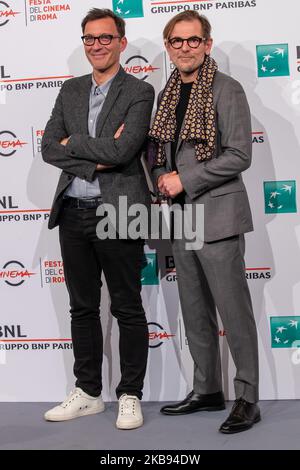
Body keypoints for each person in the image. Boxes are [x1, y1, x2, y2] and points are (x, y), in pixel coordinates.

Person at [41, 8, 154, 430]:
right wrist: (95, 153)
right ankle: (88, 392)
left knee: (127, 306)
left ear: (121, 42)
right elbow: (49, 147)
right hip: (72, 210)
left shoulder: (139, 91)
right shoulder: (70, 90)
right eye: (89, 38)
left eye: (105, 37)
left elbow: (125, 153)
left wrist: (78, 148)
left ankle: (130, 394)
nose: (97, 45)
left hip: (120, 210)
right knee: (82, 308)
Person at [150, 11, 260, 434]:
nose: (185, 48)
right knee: (195, 310)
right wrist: (159, 178)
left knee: (234, 311)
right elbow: (161, 153)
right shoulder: (167, 94)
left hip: (217, 214)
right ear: (168, 47)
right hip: (180, 219)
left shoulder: (226, 90)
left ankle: (248, 397)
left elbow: (239, 155)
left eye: (193, 40)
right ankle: (208, 389)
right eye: (176, 42)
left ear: (207, 44)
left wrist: (184, 179)